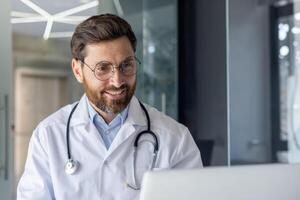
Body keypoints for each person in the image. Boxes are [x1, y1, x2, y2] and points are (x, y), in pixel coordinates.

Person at [17, 14, 202, 200]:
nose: (117, 80)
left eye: (126, 65)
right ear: (77, 70)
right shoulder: (48, 136)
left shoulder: (175, 138)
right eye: (103, 68)